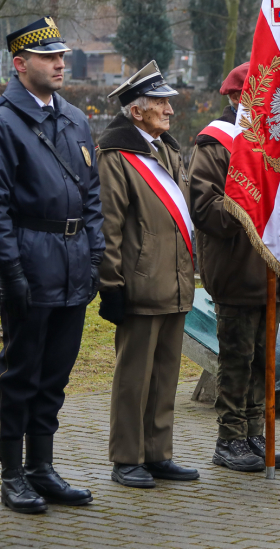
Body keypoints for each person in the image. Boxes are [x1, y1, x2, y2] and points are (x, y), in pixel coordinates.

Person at [0, 16, 103, 512]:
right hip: (31, 258)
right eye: (50, 57)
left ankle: (41, 467)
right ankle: (11, 474)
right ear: (20, 64)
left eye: (62, 56)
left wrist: (94, 257)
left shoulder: (73, 117)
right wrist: (12, 273)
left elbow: (92, 196)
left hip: (72, 262)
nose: (60, 63)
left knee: (56, 373)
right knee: (21, 373)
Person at [96, 61, 199, 488]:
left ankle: (158, 452)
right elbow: (109, 225)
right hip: (139, 283)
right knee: (133, 378)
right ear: (136, 110)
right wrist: (112, 284)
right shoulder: (116, 155)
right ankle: (126, 457)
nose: (170, 110)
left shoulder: (167, 149)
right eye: (161, 102)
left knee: (165, 373)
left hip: (174, 283)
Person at [188, 94, 280, 473]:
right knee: (237, 359)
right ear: (237, 97)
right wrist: (252, 199)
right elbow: (204, 208)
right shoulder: (215, 142)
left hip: (271, 270)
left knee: (265, 361)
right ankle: (229, 438)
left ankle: (254, 433)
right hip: (237, 268)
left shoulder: (273, 137)